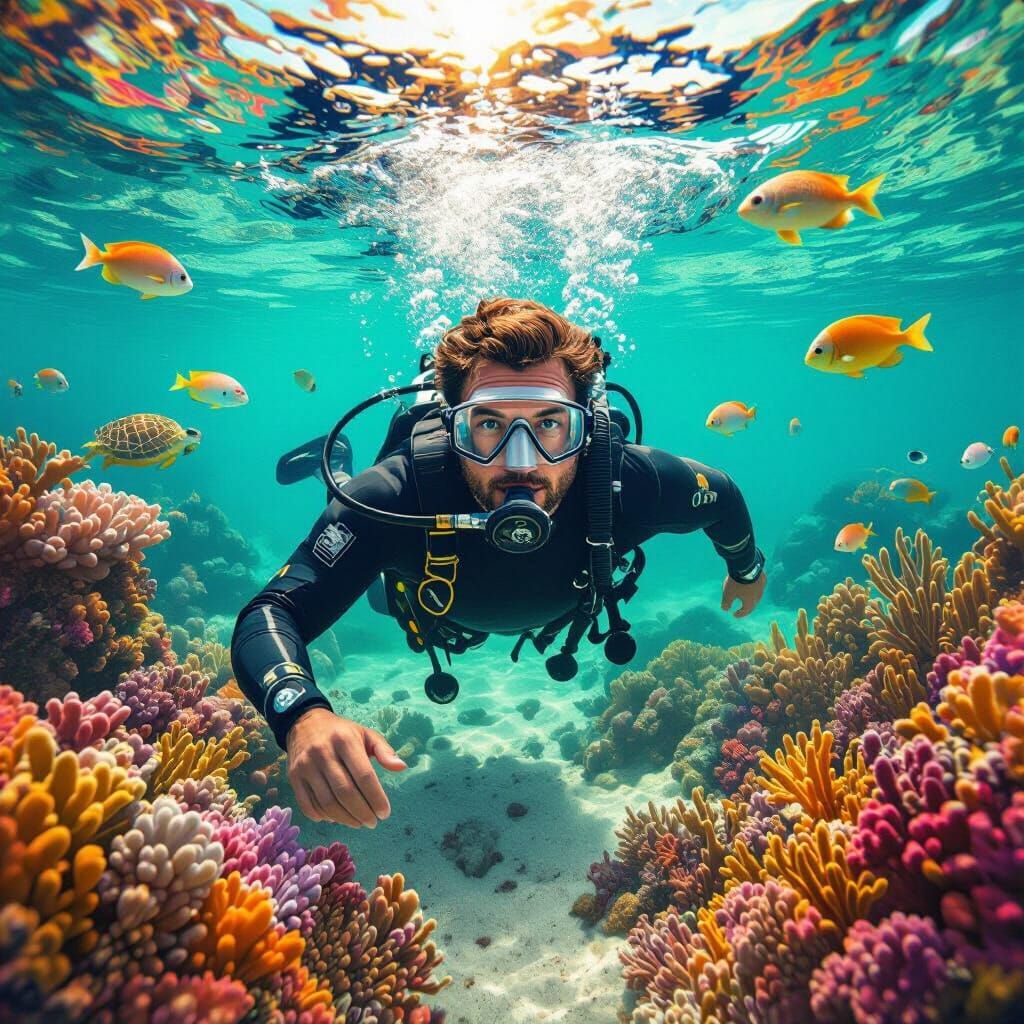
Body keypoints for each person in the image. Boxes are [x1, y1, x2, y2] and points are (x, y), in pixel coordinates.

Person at [231, 298, 767, 828]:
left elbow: (720, 494)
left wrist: (746, 566)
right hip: (423, 600)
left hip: (503, 598)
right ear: (451, 425)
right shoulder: (396, 494)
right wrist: (301, 713)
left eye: (551, 423)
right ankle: (339, 460)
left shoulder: (630, 483)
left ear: (587, 424)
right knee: (369, 568)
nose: (521, 462)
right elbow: (273, 611)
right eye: (487, 424)